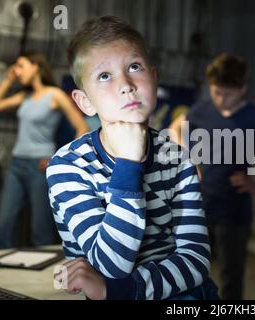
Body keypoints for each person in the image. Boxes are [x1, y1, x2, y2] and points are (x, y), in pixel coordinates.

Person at [48, 16, 218, 300]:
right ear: (84, 102)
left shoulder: (178, 159)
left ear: (153, 77)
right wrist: (128, 165)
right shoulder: (68, 166)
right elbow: (111, 265)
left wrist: (118, 290)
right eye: (104, 76)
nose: (126, 84)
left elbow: (196, 260)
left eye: (134, 67)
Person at [169, 53, 255, 299]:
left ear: (242, 89)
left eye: (227, 94)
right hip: (200, 206)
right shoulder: (202, 110)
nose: (221, 100)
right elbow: (174, 129)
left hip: (234, 211)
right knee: (191, 271)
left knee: (232, 277)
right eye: (216, 92)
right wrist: (189, 161)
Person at [0, 51, 89, 249]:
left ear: (36, 67)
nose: (17, 70)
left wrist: (60, 159)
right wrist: (8, 81)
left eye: (21, 65)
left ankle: (48, 278)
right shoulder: (25, 97)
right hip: (16, 164)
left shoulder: (55, 95)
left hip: (40, 167)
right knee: (3, 226)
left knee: (40, 231)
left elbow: (82, 127)